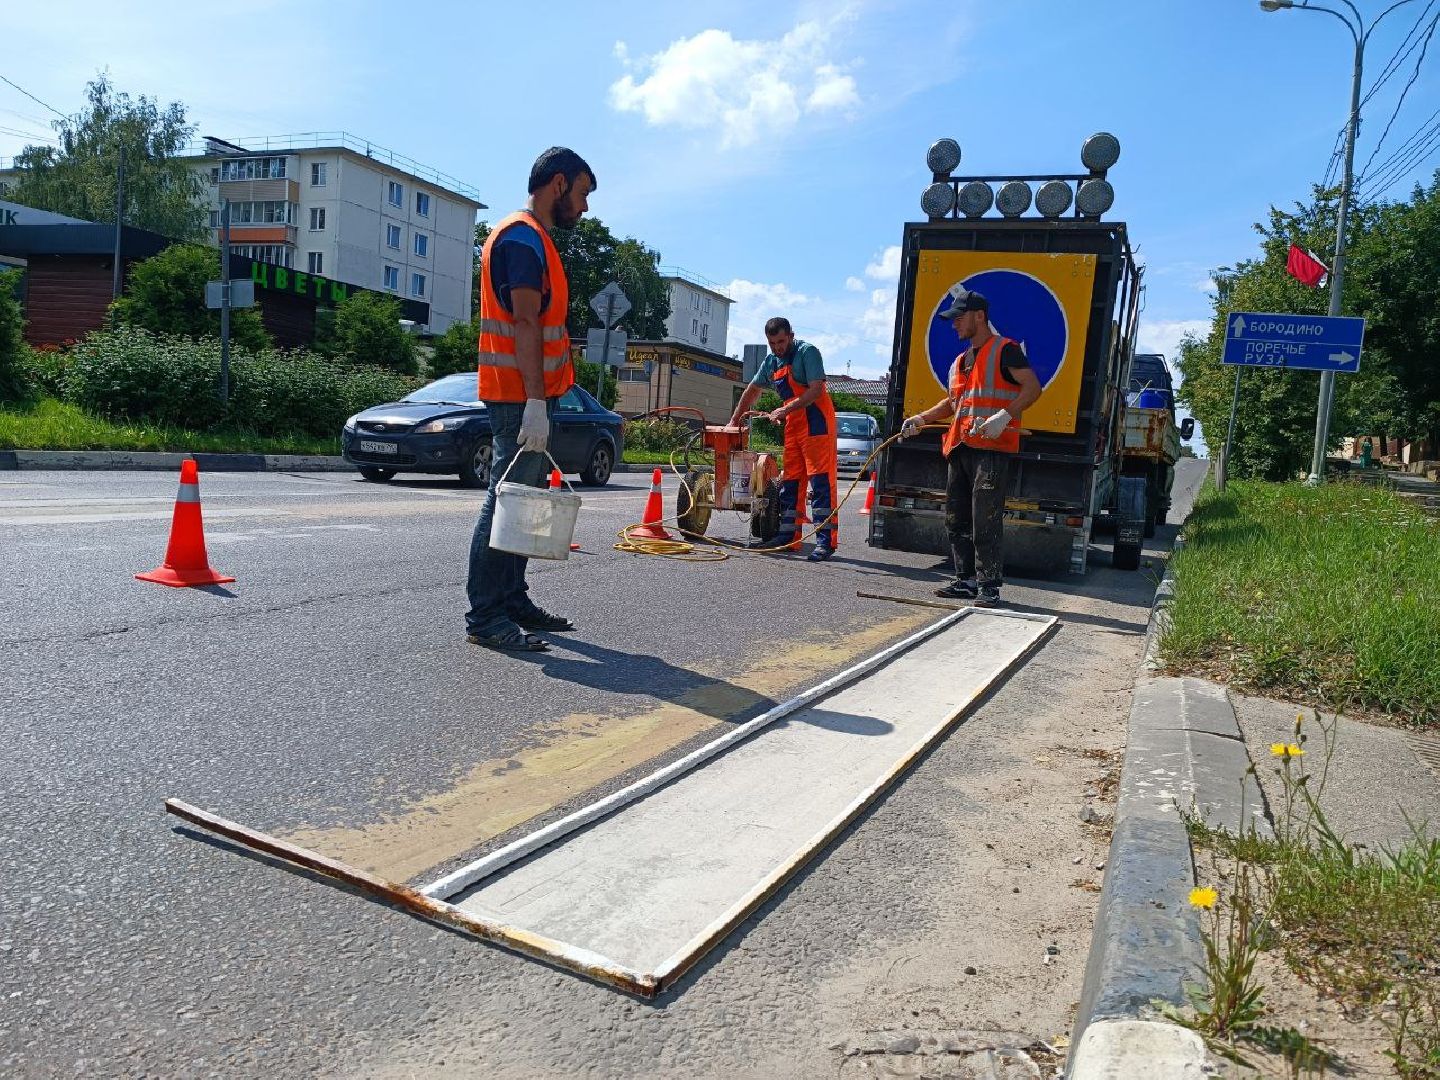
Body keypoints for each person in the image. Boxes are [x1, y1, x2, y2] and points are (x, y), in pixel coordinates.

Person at [465, 147, 596, 652]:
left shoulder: (534, 239)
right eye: (582, 193)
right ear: (558, 184)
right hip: (519, 398)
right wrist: (536, 403)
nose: (584, 207)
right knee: (505, 501)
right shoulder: (521, 239)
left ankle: (512, 598)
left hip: (530, 396)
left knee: (522, 505)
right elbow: (523, 323)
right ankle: (485, 616)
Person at [900, 285, 1043, 607]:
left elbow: (1033, 388)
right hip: (961, 446)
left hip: (991, 449)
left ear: (979, 317)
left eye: (959, 318)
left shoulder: (1005, 350)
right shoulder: (963, 360)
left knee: (985, 519)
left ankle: (988, 586)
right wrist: (921, 418)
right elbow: (955, 403)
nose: (954, 324)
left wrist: (1004, 417)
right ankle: (964, 580)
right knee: (956, 518)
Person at [728, 318, 839, 561]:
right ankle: (789, 537)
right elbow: (752, 390)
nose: (777, 347)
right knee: (791, 483)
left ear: (790, 335)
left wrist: (785, 410)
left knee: (820, 483)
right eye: (772, 343)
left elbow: (817, 389)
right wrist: (735, 420)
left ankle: (825, 542)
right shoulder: (771, 362)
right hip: (794, 425)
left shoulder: (807, 352)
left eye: (781, 341)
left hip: (817, 423)